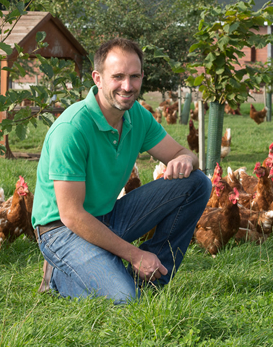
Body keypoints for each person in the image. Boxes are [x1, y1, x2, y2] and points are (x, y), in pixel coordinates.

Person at [31, 37, 210, 303]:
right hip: (60, 230)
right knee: (124, 299)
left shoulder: (137, 116)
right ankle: (59, 274)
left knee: (197, 183)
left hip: (106, 216)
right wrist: (134, 254)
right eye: (118, 77)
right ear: (98, 78)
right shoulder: (71, 129)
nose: (127, 86)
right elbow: (72, 215)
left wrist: (184, 158)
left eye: (134, 76)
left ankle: (152, 275)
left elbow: (184, 154)